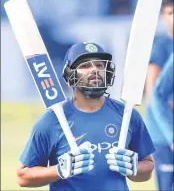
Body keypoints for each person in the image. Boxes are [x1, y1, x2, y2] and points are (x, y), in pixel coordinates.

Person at [17, 42, 155, 191]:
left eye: (100, 65)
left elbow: (147, 168)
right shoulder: (52, 120)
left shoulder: (127, 115)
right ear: (69, 75)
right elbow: (23, 176)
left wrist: (133, 168)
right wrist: (59, 170)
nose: (95, 70)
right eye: (85, 66)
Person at [145, 0, 174, 191]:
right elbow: (153, 95)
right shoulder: (161, 47)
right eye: (171, 13)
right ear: (164, 16)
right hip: (163, 133)